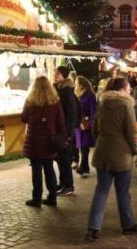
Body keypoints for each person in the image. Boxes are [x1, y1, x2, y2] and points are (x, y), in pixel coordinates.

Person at [86, 77, 137, 242]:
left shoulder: (102, 104)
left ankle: (93, 228)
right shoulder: (126, 105)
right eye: (128, 87)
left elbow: (94, 129)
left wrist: (101, 142)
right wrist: (135, 150)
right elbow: (132, 131)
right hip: (121, 154)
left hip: (103, 153)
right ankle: (128, 224)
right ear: (123, 89)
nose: (130, 90)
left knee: (101, 191)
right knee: (123, 192)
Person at [21, 76, 66, 207]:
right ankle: (52, 197)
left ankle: (36, 198)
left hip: (34, 141)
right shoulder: (55, 102)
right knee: (49, 168)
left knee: (36, 171)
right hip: (49, 141)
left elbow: (23, 118)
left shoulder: (30, 101)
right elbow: (61, 122)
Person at [54, 66, 78, 196]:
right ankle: (62, 182)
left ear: (64, 75)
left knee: (64, 159)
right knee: (59, 158)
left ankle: (68, 185)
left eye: (58, 74)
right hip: (60, 130)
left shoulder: (67, 92)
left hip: (65, 132)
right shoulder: (58, 89)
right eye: (55, 73)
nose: (55, 75)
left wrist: (68, 134)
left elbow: (72, 113)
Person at [74, 76, 97, 178]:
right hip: (79, 123)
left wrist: (91, 124)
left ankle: (84, 167)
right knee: (81, 145)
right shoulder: (78, 95)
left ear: (82, 85)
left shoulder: (90, 95)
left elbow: (93, 110)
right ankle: (85, 167)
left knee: (85, 146)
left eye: (77, 83)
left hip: (86, 124)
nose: (75, 85)